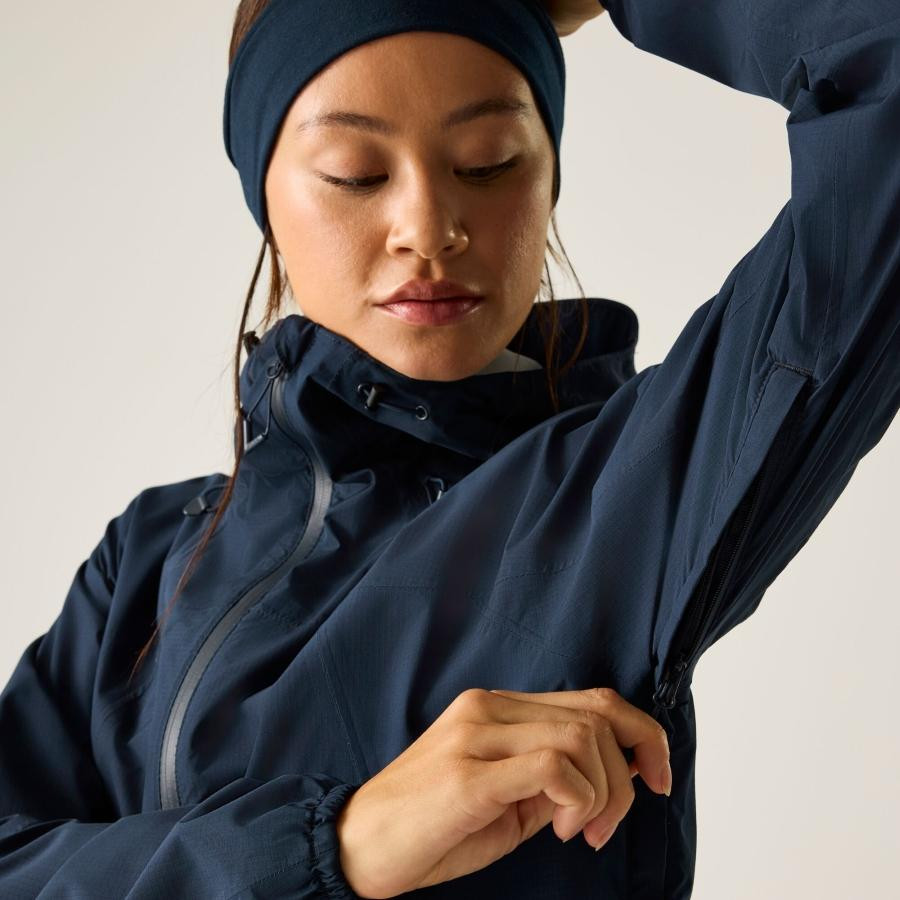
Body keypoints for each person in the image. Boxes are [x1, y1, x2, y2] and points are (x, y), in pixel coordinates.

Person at [1, 0, 897, 897]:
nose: (429, 230)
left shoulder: (630, 490)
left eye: (488, 162)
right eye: (355, 174)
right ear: (265, 198)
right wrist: (341, 845)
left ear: (550, 177)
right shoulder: (149, 559)